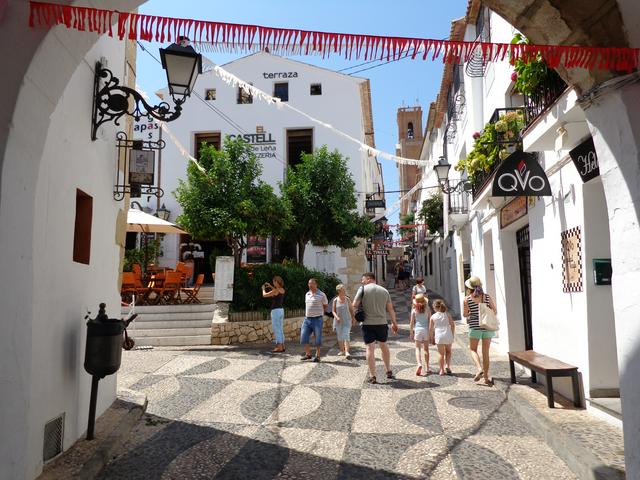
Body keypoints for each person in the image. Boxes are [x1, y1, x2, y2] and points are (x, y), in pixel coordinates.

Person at [353, 272, 399, 384]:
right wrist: (394, 323)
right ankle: (388, 370)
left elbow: (354, 304)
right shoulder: (384, 291)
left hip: (367, 323)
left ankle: (373, 375)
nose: (362, 281)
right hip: (382, 323)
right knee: (383, 345)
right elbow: (390, 309)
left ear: (369, 279)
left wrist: (356, 314)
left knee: (370, 349)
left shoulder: (362, 289)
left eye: (363, 279)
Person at [463, 276, 498, 386]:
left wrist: (471, 313)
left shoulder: (467, 299)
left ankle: (479, 368)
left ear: (469, 287)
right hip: (487, 327)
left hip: (474, 327)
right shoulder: (486, 297)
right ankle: (486, 378)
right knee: (485, 353)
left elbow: (465, 314)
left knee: (473, 349)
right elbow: (495, 311)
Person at [300, 278, 328, 362]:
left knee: (318, 338)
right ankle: (308, 354)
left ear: (316, 285)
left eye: (312, 283)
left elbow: (325, 305)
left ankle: (318, 355)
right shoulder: (307, 294)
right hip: (307, 319)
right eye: (309, 283)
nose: (310, 285)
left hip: (317, 319)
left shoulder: (322, 294)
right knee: (303, 337)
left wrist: (320, 313)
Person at [430, 299, 456, 376]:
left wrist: (432, 337)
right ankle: (447, 365)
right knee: (448, 351)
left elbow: (430, 329)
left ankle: (441, 370)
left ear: (434, 307)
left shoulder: (433, 316)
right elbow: (453, 325)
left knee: (441, 354)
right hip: (448, 334)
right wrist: (452, 334)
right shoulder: (447, 314)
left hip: (439, 335)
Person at [262, 276, 286, 353]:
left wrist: (263, 289)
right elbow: (276, 291)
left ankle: (279, 347)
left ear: (276, 282)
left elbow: (264, 295)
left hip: (275, 311)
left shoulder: (276, 291)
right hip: (281, 310)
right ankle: (282, 346)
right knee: (281, 329)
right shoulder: (282, 290)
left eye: (273, 282)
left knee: (277, 329)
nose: (273, 283)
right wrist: (271, 286)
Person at [332, 284, 355, 359]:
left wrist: (353, 318)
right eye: (343, 289)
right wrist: (337, 317)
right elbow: (333, 311)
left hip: (347, 320)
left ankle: (347, 352)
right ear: (339, 291)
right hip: (338, 321)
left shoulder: (347, 299)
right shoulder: (335, 300)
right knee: (340, 337)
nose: (344, 290)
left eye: (344, 289)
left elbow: (351, 310)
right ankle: (342, 350)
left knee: (346, 335)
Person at [409, 294, 431, 376]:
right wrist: (431, 332)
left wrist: (411, 332)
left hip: (417, 330)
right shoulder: (428, 309)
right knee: (426, 349)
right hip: (426, 330)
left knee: (417, 348)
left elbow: (411, 323)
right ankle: (428, 367)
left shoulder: (414, 310)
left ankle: (419, 364)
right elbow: (430, 321)